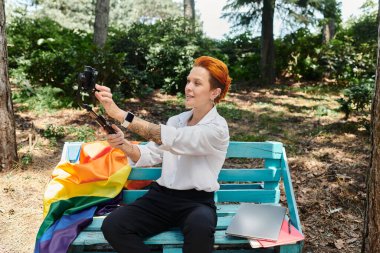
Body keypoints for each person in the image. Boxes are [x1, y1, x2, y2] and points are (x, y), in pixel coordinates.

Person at [95, 56, 232, 253]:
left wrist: (119, 114)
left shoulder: (217, 128)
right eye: (188, 81)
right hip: (161, 198)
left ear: (214, 92)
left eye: (197, 83)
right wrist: (124, 145)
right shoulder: (176, 120)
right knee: (114, 225)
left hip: (197, 203)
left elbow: (171, 138)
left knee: (200, 230)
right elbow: (150, 154)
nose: (188, 87)